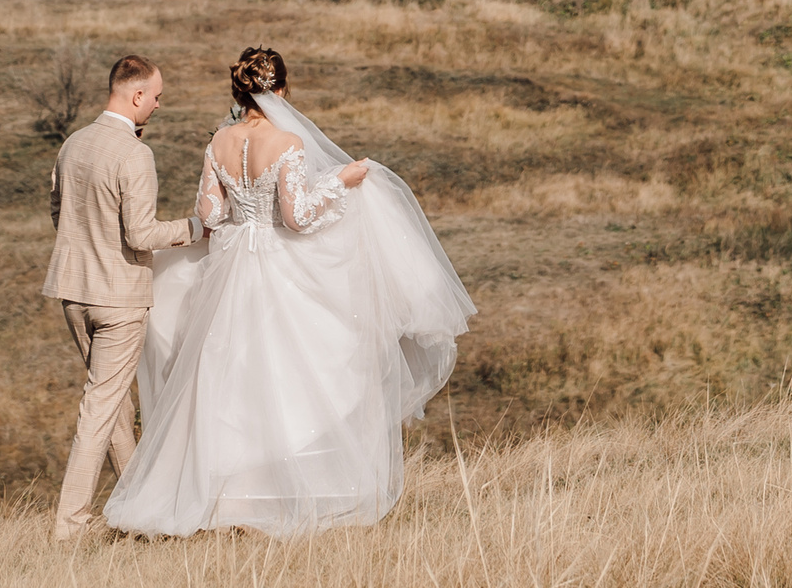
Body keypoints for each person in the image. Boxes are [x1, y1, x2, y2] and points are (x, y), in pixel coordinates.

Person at [104, 46, 475, 537]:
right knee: (290, 374)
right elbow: (297, 217)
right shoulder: (288, 142)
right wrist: (341, 181)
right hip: (275, 266)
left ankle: (223, 498)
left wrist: (238, 206)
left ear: (240, 92)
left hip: (230, 268)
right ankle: (282, 490)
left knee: (227, 377)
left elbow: (211, 215)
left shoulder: (219, 142)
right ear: (279, 91)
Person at [43, 53, 206, 543]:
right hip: (119, 299)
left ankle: (140, 513)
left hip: (74, 292)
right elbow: (141, 234)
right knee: (99, 410)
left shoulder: (73, 143)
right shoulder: (135, 154)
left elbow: (58, 212)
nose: (158, 105)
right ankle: (69, 528)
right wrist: (197, 228)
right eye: (156, 96)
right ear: (136, 95)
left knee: (111, 408)